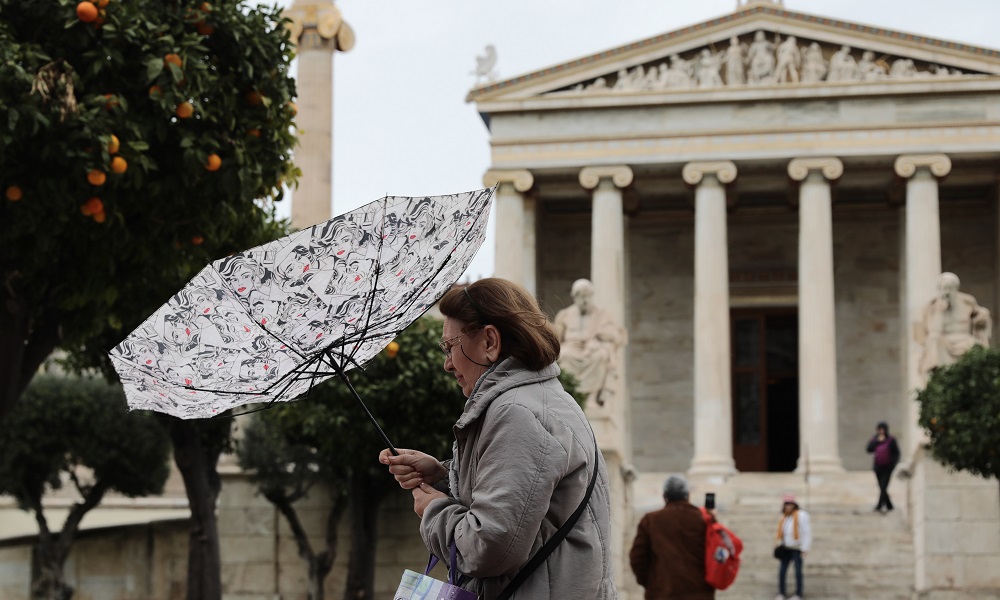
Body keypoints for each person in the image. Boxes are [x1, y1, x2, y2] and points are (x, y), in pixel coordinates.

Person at [378, 278, 617, 600]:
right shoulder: (541, 399)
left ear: (489, 341)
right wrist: (443, 476)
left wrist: (433, 509)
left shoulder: (518, 413)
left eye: (450, 346)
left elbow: (485, 548)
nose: (447, 364)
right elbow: (526, 498)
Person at [629, 475, 715, 600]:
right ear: (687, 495)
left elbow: (637, 558)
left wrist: (652, 583)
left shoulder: (650, 520)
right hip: (700, 593)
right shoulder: (704, 519)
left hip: (662, 593)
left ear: (665, 496)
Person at [553, 279, 627, 406]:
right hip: (571, 347)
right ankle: (570, 394)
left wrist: (605, 336)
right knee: (564, 355)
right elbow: (555, 338)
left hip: (592, 349)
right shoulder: (565, 315)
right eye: (581, 297)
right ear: (574, 297)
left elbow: (617, 336)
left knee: (602, 355)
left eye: (587, 297)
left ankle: (592, 397)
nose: (585, 300)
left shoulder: (602, 314)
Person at [915, 272, 992, 377]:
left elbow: (980, 313)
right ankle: (941, 376)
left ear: (956, 288)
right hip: (945, 342)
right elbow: (933, 331)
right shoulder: (934, 306)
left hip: (965, 339)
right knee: (934, 339)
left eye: (950, 288)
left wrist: (983, 316)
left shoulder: (967, 301)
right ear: (940, 289)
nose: (947, 292)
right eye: (944, 288)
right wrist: (941, 311)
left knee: (974, 345)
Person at [775, 493, 811, 600]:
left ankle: (798, 593)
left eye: (790, 504)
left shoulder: (802, 515)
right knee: (782, 571)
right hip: (786, 548)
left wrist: (805, 548)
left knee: (798, 572)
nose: (788, 506)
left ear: (794, 504)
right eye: (786, 504)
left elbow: (807, 532)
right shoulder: (784, 516)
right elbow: (782, 532)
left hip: (797, 548)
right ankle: (781, 592)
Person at [866, 421, 900, 513]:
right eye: (879, 429)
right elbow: (868, 449)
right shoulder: (875, 439)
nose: (881, 431)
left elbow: (896, 453)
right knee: (882, 487)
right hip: (878, 467)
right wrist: (877, 441)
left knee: (883, 486)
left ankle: (879, 505)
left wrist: (893, 464)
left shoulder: (891, 439)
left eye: (883, 429)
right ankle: (889, 505)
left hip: (888, 467)